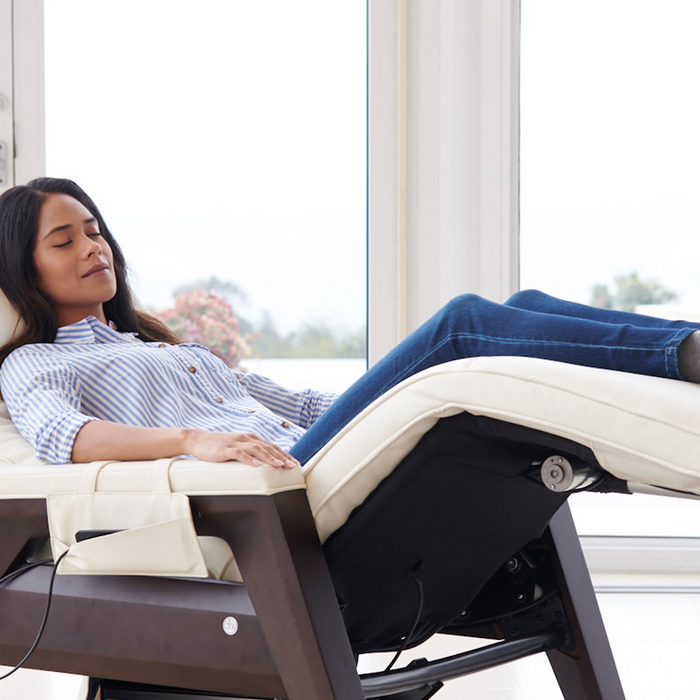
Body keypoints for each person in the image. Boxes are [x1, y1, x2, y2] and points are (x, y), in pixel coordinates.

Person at [1, 177, 700, 469]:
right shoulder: (32, 362)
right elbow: (62, 436)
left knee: (520, 309)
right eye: (64, 241)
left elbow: (301, 403)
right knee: (460, 326)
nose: (93, 248)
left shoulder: (149, 343)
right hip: (296, 474)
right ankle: (687, 351)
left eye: (94, 231)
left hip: (317, 439)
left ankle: (685, 346)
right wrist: (192, 442)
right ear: (23, 271)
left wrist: (396, 400)